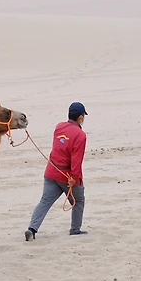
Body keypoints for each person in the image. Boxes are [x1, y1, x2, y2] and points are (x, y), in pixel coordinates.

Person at [25, 102, 88, 240]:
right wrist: (74, 178)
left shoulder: (59, 126)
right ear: (80, 117)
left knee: (45, 201)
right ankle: (75, 229)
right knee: (78, 201)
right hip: (66, 176)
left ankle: (32, 229)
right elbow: (76, 160)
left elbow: (61, 146)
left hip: (51, 172)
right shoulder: (80, 135)